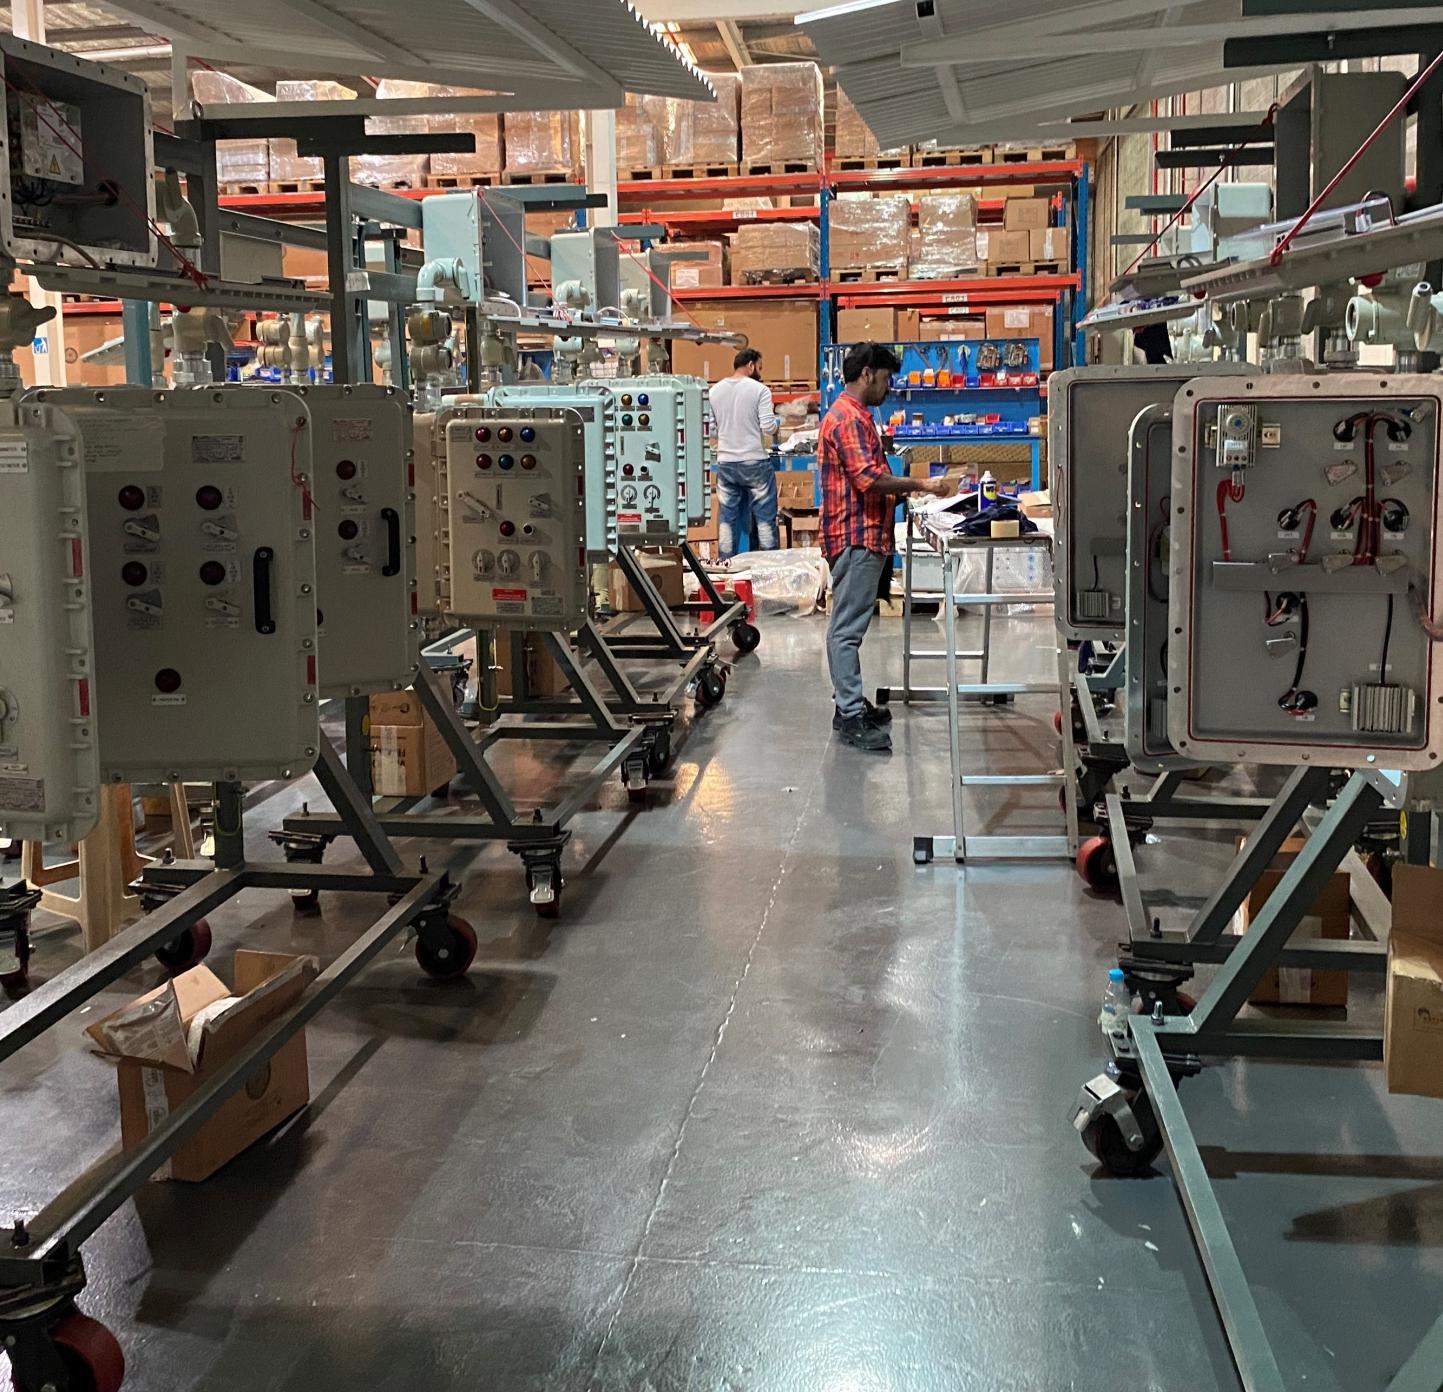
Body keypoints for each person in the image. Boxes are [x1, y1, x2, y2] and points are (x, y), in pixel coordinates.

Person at [820, 342, 952, 753]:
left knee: (848, 628)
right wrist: (921, 483)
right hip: (856, 537)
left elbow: (866, 480)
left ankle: (849, 704)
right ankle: (850, 715)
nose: (889, 386)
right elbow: (868, 480)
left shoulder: (856, 415)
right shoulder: (848, 419)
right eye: (885, 377)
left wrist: (906, 493)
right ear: (867, 374)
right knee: (846, 631)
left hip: (864, 534)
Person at [708, 348, 781, 562]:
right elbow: (768, 427)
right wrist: (778, 424)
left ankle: (726, 565)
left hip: (726, 463)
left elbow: (711, 430)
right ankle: (770, 566)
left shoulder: (715, 391)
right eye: (759, 367)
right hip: (754, 463)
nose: (760, 371)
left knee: (727, 519)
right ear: (751, 365)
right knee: (765, 518)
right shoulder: (760, 390)